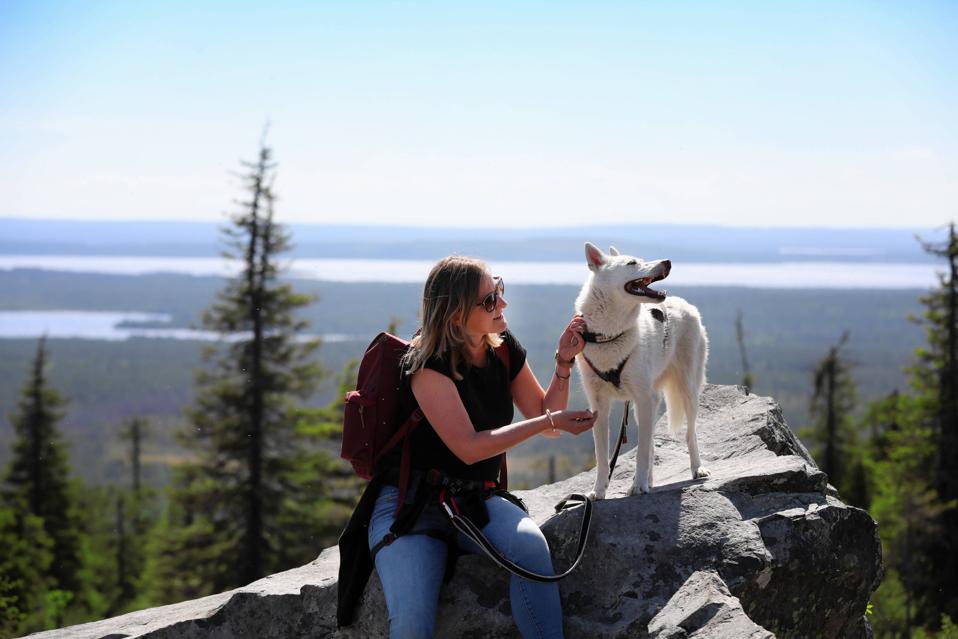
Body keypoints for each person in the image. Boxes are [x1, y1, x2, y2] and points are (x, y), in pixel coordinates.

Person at [363, 255, 597, 639]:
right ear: (455, 315)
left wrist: (564, 361)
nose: (502, 304)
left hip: (475, 502)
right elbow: (469, 448)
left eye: (499, 290)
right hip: (411, 508)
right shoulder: (426, 365)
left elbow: (546, 415)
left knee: (531, 550)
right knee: (411, 625)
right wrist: (547, 422)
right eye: (489, 300)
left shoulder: (503, 350)